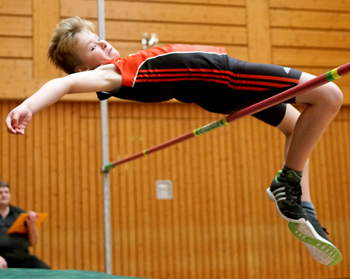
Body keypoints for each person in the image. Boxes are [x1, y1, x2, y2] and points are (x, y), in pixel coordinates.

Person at [5, 16, 343, 265]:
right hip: (228, 76)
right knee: (329, 95)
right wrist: (28, 106)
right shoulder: (108, 75)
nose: (104, 44)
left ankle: (300, 204)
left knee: (297, 123)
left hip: (219, 87)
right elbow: (60, 84)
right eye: (92, 46)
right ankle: (287, 183)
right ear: (82, 69)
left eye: (99, 37)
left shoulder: (122, 67)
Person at [0, 181, 50, 269]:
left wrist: (32, 226)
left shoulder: (19, 213)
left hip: (22, 257)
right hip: (2, 258)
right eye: (0, 192)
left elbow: (33, 242)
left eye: (6, 192)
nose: (4, 195)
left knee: (44, 269)